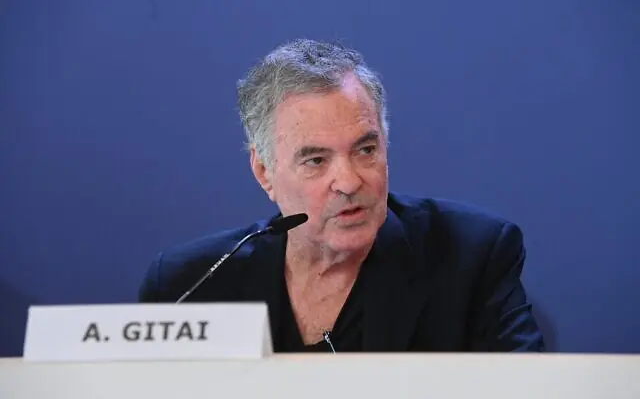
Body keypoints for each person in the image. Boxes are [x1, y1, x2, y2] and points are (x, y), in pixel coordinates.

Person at [138, 38, 545, 352]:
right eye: (316, 160)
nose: (348, 182)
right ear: (265, 172)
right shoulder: (189, 288)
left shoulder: (471, 259)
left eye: (365, 150)